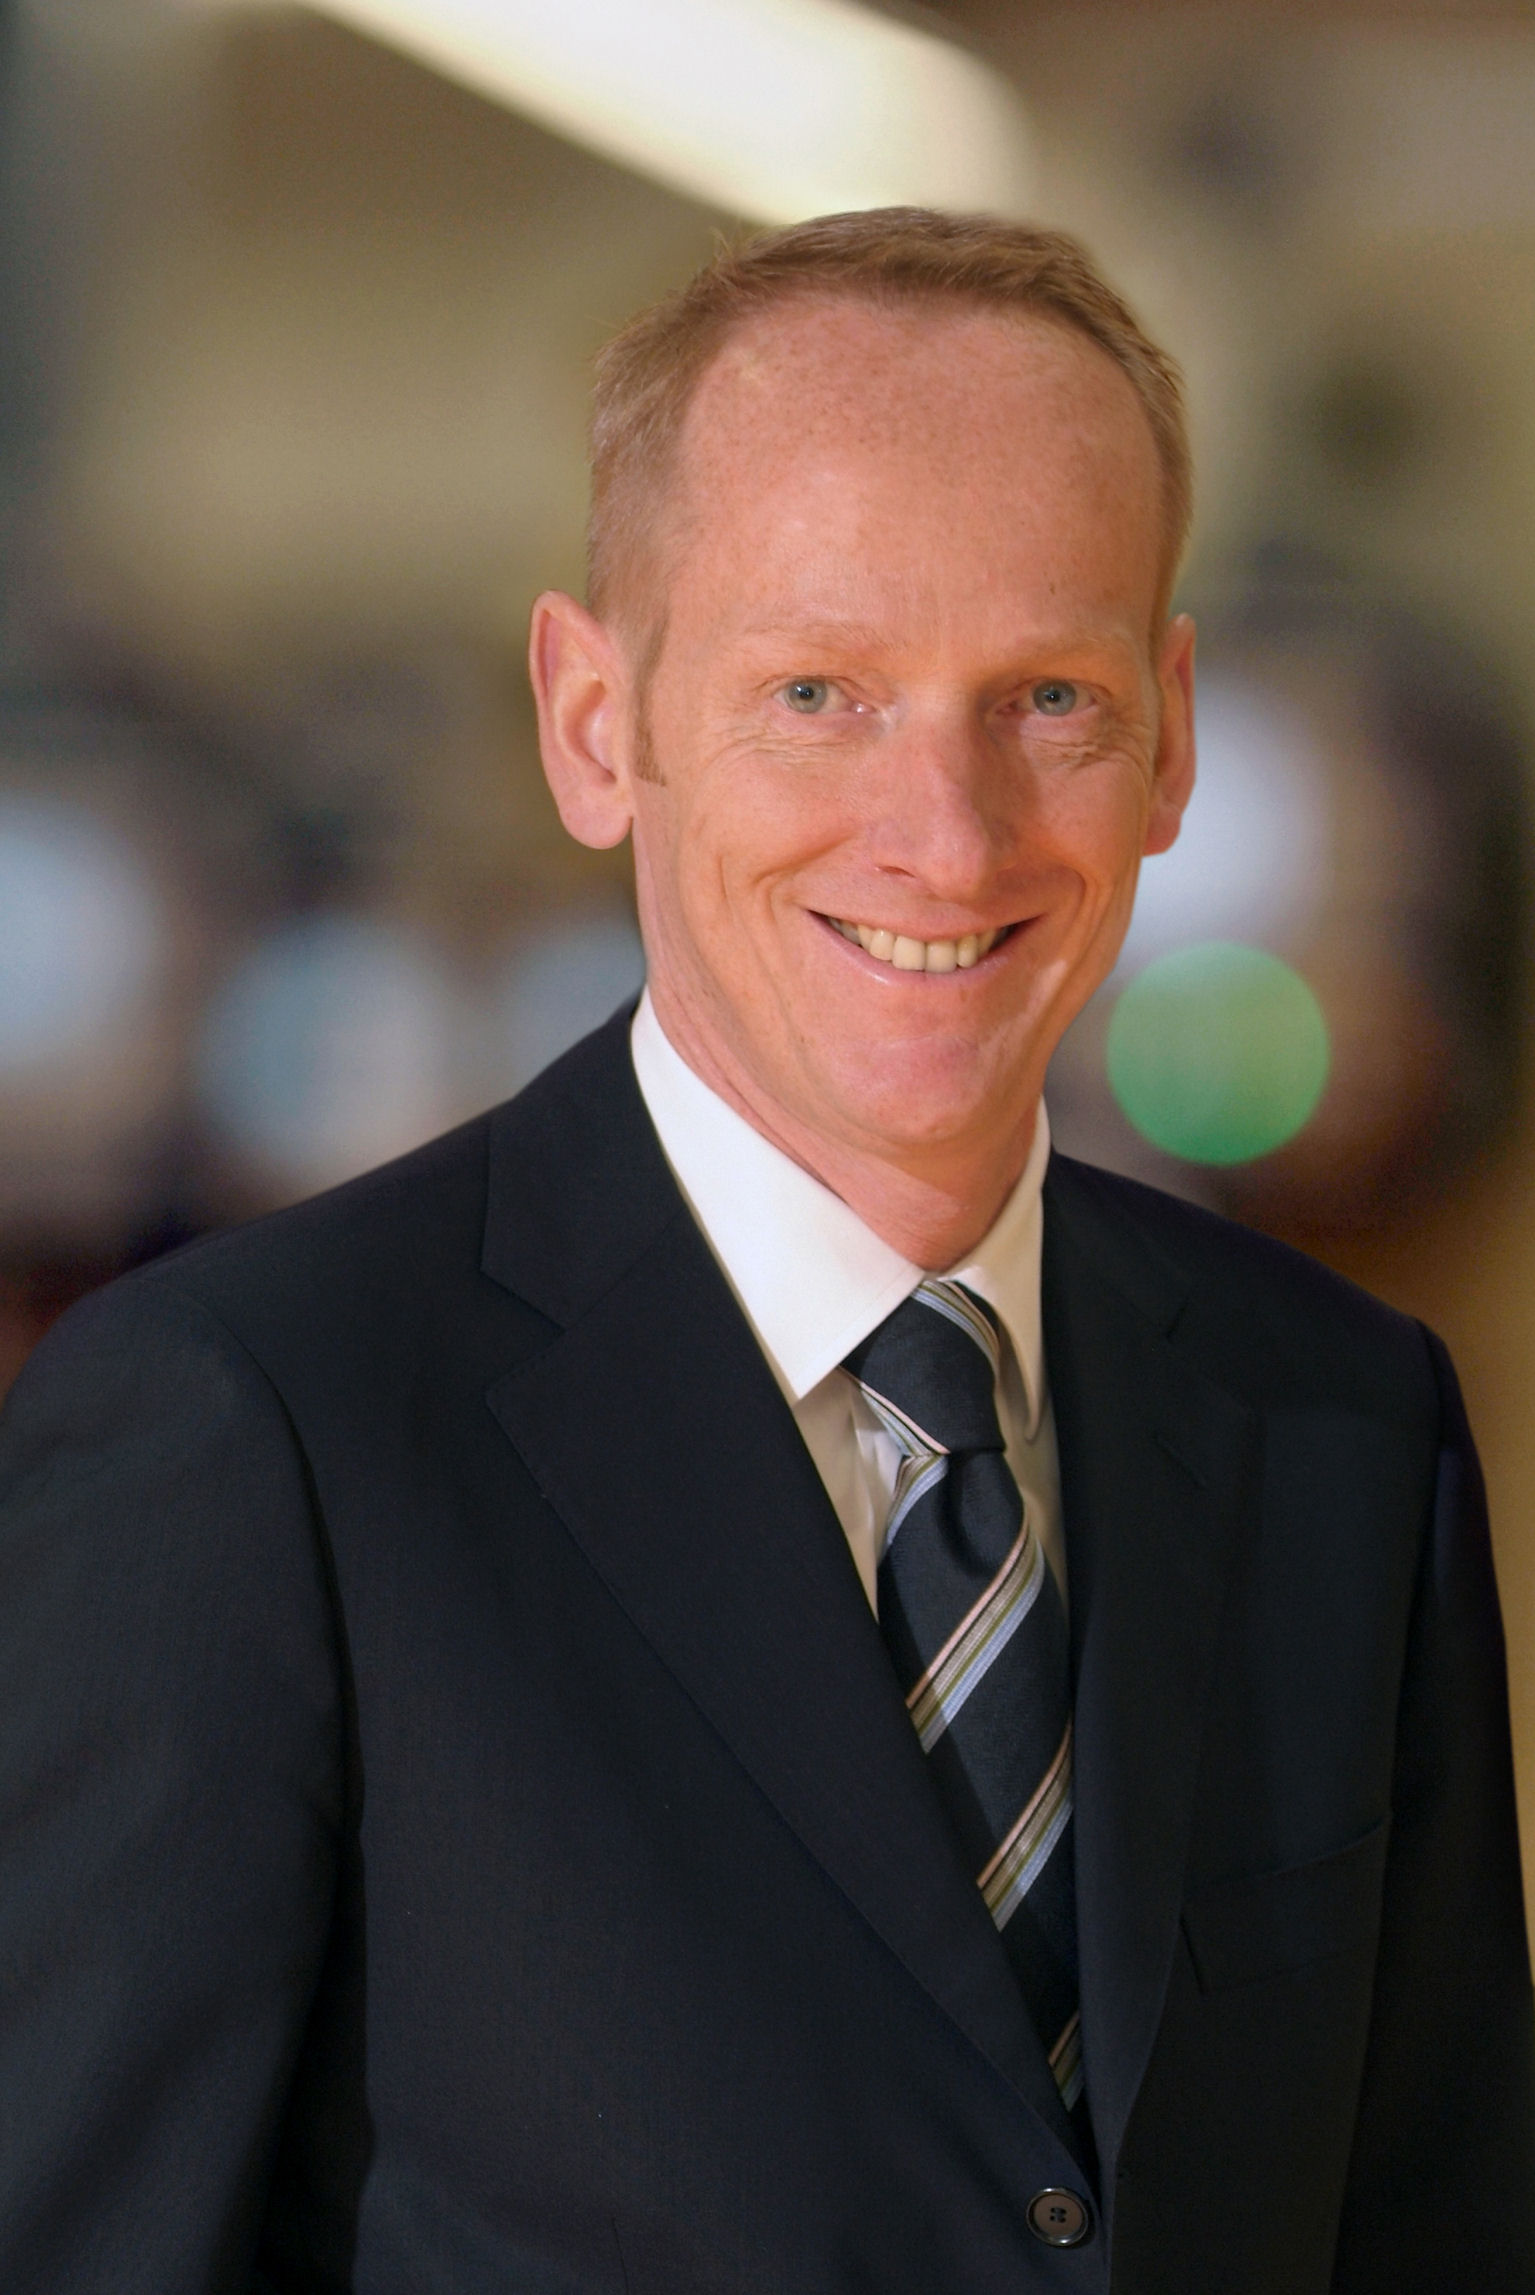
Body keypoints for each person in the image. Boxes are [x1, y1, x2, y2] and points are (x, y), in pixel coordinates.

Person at [0, 209, 1530, 2295]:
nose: (950, 833)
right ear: (592, 720)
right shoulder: (251, 1437)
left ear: (1171, 735)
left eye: (1050, 697)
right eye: (820, 691)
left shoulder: (1340, 1431)